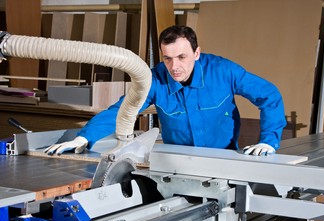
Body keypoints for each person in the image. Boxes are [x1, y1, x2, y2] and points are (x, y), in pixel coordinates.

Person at [45, 25, 286, 156]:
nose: (174, 66)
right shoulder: (154, 78)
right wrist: (85, 136)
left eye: (182, 57)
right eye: (168, 58)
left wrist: (268, 142)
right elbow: (122, 111)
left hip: (223, 157)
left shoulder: (223, 71)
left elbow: (270, 96)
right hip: (177, 162)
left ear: (197, 53)